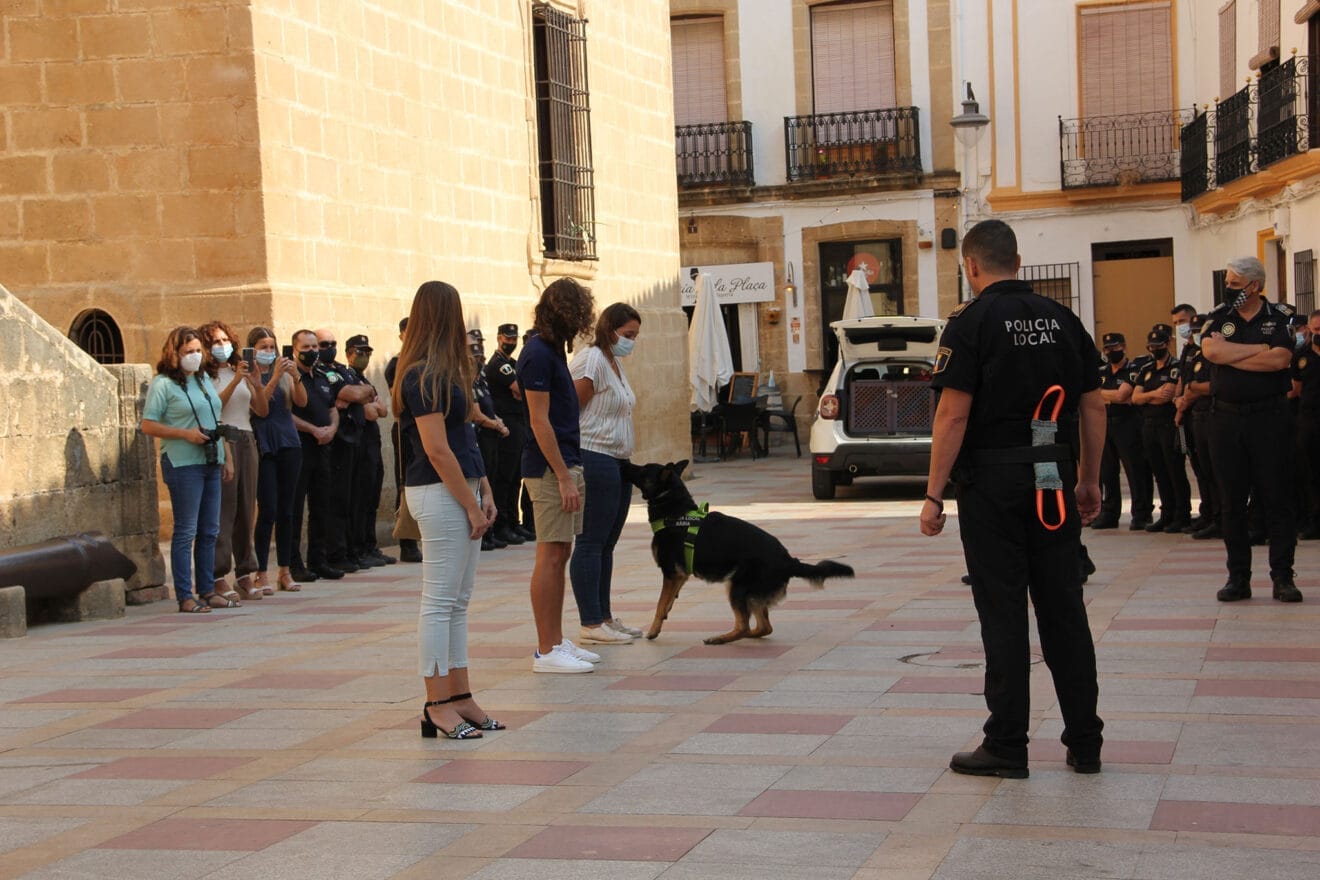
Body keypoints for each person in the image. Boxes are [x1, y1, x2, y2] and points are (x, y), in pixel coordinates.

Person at [919, 219, 1105, 778]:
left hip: (994, 485)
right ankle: (1086, 742)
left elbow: (952, 414)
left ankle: (1006, 744)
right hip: (1051, 475)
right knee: (1064, 611)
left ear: (970, 266)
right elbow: (1094, 407)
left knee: (1003, 613)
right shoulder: (1063, 319)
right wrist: (1089, 480)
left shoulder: (971, 323)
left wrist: (933, 494)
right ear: (1018, 263)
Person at [393, 280, 501, 740]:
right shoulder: (420, 374)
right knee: (439, 603)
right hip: (439, 493)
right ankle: (437, 703)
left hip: (463, 488)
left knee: (458, 602)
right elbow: (437, 450)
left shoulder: (449, 371)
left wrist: (486, 491)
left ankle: (461, 696)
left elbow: (466, 438)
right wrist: (470, 505)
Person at [1202, 257, 1303, 602]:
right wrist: (1257, 349)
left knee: (1277, 498)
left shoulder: (1280, 317)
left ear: (1255, 286)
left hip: (1269, 419)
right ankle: (1238, 577)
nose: (1229, 289)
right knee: (1231, 501)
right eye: (1227, 282)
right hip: (1225, 420)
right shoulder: (1219, 316)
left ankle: (1283, 577)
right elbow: (1211, 351)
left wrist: (1233, 354)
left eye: (1235, 284)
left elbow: (1279, 359)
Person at [519, 277, 601, 673]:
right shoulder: (536, 352)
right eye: (577, 316)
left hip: (566, 461)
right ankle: (546, 650)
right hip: (551, 467)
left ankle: (555, 640)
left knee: (561, 552)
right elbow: (539, 422)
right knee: (550, 555)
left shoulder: (550, 350)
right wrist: (564, 476)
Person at [140, 326, 234, 614]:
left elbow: (216, 417)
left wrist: (226, 456)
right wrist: (185, 434)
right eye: (187, 352)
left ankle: (207, 589)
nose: (193, 356)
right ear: (174, 354)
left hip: (210, 459)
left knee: (210, 530)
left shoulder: (204, 379)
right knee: (186, 530)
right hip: (183, 462)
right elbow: (148, 424)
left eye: (196, 351)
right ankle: (185, 594)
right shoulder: (163, 384)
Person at [569, 303, 643, 645]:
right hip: (594, 455)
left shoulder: (615, 364)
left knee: (607, 543)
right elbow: (572, 410)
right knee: (591, 541)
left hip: (617, 460)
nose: (631, 342)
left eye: (635, 337)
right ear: (610, 329)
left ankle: (606, 616)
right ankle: (591, 621)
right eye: (627, 335)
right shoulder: (592, 359)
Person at [200, 321, 267, 603]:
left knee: (246, 508)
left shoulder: (240, 369)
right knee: (224, 510)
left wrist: (255, 383)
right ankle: (217, 574)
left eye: (225, 340)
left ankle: (245, 571)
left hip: (248, 438)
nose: (222, 346)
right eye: (215, 342)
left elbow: (261, 410)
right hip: (224, 439)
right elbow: (214, 406)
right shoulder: (205, 376)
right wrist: (237, 381)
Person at [248, 326, 307, 593]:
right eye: (263, 347)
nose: (269, 352)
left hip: (288, 442)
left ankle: (285, 570)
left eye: (272, 347)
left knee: (287, 510)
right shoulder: (249, 376)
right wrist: (273, 377)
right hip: (264, 444)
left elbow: (301, 402)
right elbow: (260, 408)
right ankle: (261, 571)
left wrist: (295, 378)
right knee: (268, 509)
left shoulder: (284, 373)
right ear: (253, 350)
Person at [316, 328, 373, 574]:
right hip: (336, 441)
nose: (329, 347)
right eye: (323, 344)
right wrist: (352, 395)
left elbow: (367, 393)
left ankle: (352, 549)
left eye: (332, 343)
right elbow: (349, 393)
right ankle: (335, 553)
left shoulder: (343, 370)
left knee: (354, 497)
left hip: (355, 437)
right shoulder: (320, 371)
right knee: (336, 498)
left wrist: (354, 396)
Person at [290, 329, 340, 582]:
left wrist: (332, 428)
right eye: (306, 348)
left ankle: (318, 560)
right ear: (295, 350)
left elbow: (333, 408)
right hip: (300, 448)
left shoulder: (321, 376)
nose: (312, 352)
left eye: (314, 347)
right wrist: (312, 429)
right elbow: (286, 413)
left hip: (323, 448)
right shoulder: (291, 378)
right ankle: (294, 564)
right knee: (296, 506)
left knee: (322, 505)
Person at [1132, 329, 1190, 532]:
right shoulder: (1146, 368)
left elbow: (1170, 394)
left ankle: (1182, 514)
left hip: (1168, 424)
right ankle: (1167, 513)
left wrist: (1148, 395)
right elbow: (1135, 397)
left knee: (1174, 470)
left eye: (1158, 346)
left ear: (1167, 344)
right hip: (1149, 424)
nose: (1154, 350)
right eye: (1151, 346)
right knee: (1159, 471)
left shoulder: (1175, 367)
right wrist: (1154, 393)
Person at [1093, 333, 1152, 530]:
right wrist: (1109, 396)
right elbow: (1093, 396)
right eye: (1108, 348)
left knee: (1135, 469)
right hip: (1105, 423)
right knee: (1108, 470)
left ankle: (1141, 513)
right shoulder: (1102, 371)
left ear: (1124, 347)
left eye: (1115, 347)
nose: (1111, 351)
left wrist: (1105, 395)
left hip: (1127, 423)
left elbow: (1123, 395)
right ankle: (1109, 513)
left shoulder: (1134, 369)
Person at [346, 334, 394, 567]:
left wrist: (370, 403)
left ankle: (370, 545)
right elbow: (369, 412)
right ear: (348, 354)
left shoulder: (366, 381)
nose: (364, 357)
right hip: (360, 444)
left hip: (373, 444)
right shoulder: (348, 378)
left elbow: (382, 410)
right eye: (359, 352)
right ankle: (358, 547)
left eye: (367, 353)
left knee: (373, 497)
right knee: (360, 499)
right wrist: (370, 404)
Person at [486, 322, 534, 544]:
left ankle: (513, 522)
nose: (511, 343)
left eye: (514, 339)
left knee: (516, 476)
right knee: (505, 477)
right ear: (498, 338)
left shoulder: (511, 363)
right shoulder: (498, 364)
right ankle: (501, 524)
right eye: (507, 338)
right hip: (507, 425)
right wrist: (520, 391)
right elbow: (519, 389)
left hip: (518, 422)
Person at [469, 329, 515, 551]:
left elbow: (489, 408)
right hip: (480, 436)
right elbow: (476, 414)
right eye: (474, 357)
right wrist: (497, 425)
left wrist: (498, 422)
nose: (478, 362)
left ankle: (494, 529)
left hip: (491, 435)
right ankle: (485, 532)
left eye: (480, 358)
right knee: (482, 484)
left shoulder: (481, 380)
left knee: (497, 481)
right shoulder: (467, 381)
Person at [1175, 314, 1219, 538]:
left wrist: (1188, 396)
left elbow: (1210, 386)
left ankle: (1219, 517)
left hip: (1211, 414)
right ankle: (1209, 513)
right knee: (1201, 469)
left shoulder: (1214, 356)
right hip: (1195, 416)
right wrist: (1181, 401)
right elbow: (1186, 383)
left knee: (1214, 470)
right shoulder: (1194, 355)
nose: (1195, 335)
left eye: (1198, 331)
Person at [386, 317, 423, 563]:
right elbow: (397, 401)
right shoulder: (397, 364)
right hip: (407, 429)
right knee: (405, 482)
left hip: (424, 428)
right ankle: (407, 541)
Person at [1292, 311, 1320, 540]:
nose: (1317, 334)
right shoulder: (1301, 355)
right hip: (1309, 419)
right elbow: (1295, 389)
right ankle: (1313, 520)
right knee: (1309, 471)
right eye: (1315, 330)